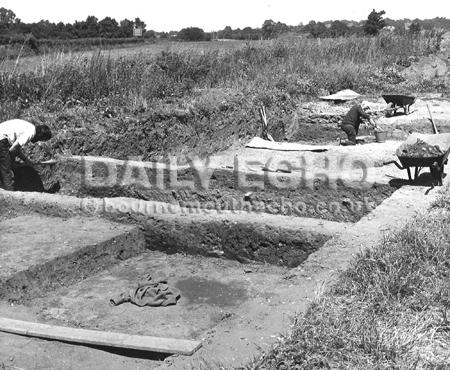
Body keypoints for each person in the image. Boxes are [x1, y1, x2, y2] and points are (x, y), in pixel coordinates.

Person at [0, 119, 52, 191]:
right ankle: (10, 195)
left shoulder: (29, 127)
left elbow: (16, 149)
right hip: (2, 138)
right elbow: (14, 148)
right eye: (41, 139)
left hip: (2, 135)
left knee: (3, 166)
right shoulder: (31, 132)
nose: (38, 141)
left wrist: (26, 160)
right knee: (6, 169)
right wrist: (10, 161)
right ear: (40, 135)